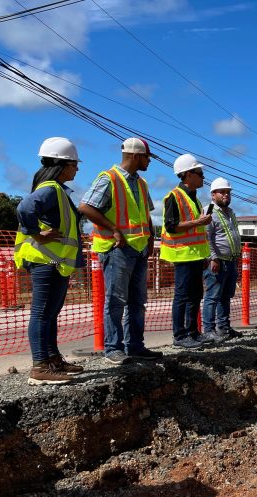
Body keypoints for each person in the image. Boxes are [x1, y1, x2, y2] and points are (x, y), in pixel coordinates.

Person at [79, 137, 162, 365]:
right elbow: (86, 206)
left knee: (137, 301)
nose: (149, 161)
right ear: (135, 156)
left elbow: (146, 213)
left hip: (139, 248)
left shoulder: (142, 183)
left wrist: (150, 239)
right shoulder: (109, 178)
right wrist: (114, 229)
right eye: (147, 157)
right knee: (116, 300)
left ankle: (134, 346)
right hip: (117, 250)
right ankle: (112, 348)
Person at [14, 137, 86, 385]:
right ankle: (39, 366)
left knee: (50, 313)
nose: (77, 169)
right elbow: (24, 208)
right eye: (75, 164)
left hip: (55, 263)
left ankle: (52, 359)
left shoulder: (57, 190)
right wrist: (36, 234)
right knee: (42, 312)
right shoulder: (50, 189)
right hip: (45, 262)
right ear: (63, 164)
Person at [160, 154, 212, 349]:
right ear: (188, 174)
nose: (202, 177)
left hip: (196, 254)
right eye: (200, 173)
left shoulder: (195, 199)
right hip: (182, 254)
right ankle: (179, 336)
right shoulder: (173, 196)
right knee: (182, 296)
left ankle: (192, 332)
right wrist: (199, 222)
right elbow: (171, 226)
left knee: (196, 294)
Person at [202, 177, 243, 342]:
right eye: (222, 192)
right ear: (213, 195)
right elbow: (207, 238)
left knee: (226, 296)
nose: (226, 195)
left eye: (228, 192)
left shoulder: (230, 212)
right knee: (212, 297)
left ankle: (224, 328)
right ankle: (209, 330)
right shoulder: (209, 211)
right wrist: (213, 258)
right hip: (217, 262)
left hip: (230, 260)